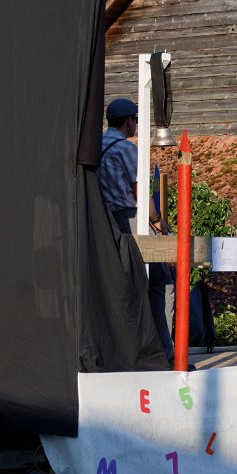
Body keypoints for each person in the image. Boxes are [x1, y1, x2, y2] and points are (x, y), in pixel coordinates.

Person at [97, 98, 175, 365]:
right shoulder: (126, 149)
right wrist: (156, 220)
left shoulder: (97, 147)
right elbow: (139, 190)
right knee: (161, 283)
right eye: (136, 120)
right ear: (129, 121)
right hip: (132, 220)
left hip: (105, 223)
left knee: (125, 289)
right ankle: (165, 353)